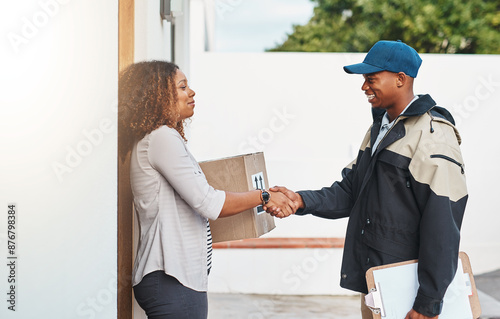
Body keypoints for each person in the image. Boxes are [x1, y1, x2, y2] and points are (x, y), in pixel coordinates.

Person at [268, 40, 467, 319]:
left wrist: (428, 301)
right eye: (363, 80)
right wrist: (300, 200)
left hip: (409, 294)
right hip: (378, 284)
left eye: (371, 79)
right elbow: (351, 190)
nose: (364, 87)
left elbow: (443, 222)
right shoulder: (380, 129)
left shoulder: (433, 135)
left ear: (400, 79)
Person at [118, 61, 295, 319]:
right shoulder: (161, 138)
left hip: (174, 281)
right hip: (173, 281)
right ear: (158, 96)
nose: (192, 93)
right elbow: (209, 203)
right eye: (182, 87)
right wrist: (263, 195)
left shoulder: (159, 138)